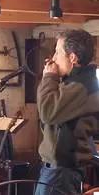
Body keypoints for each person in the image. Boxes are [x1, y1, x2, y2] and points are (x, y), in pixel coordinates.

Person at [35, 29, 99, 195]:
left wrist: (49, 77)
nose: (54, 58)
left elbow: (47, 111)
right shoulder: (76, 82)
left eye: (57, 52)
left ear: (72, 58)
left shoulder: (80, 86)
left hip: (61, 172)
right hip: (59, 170)